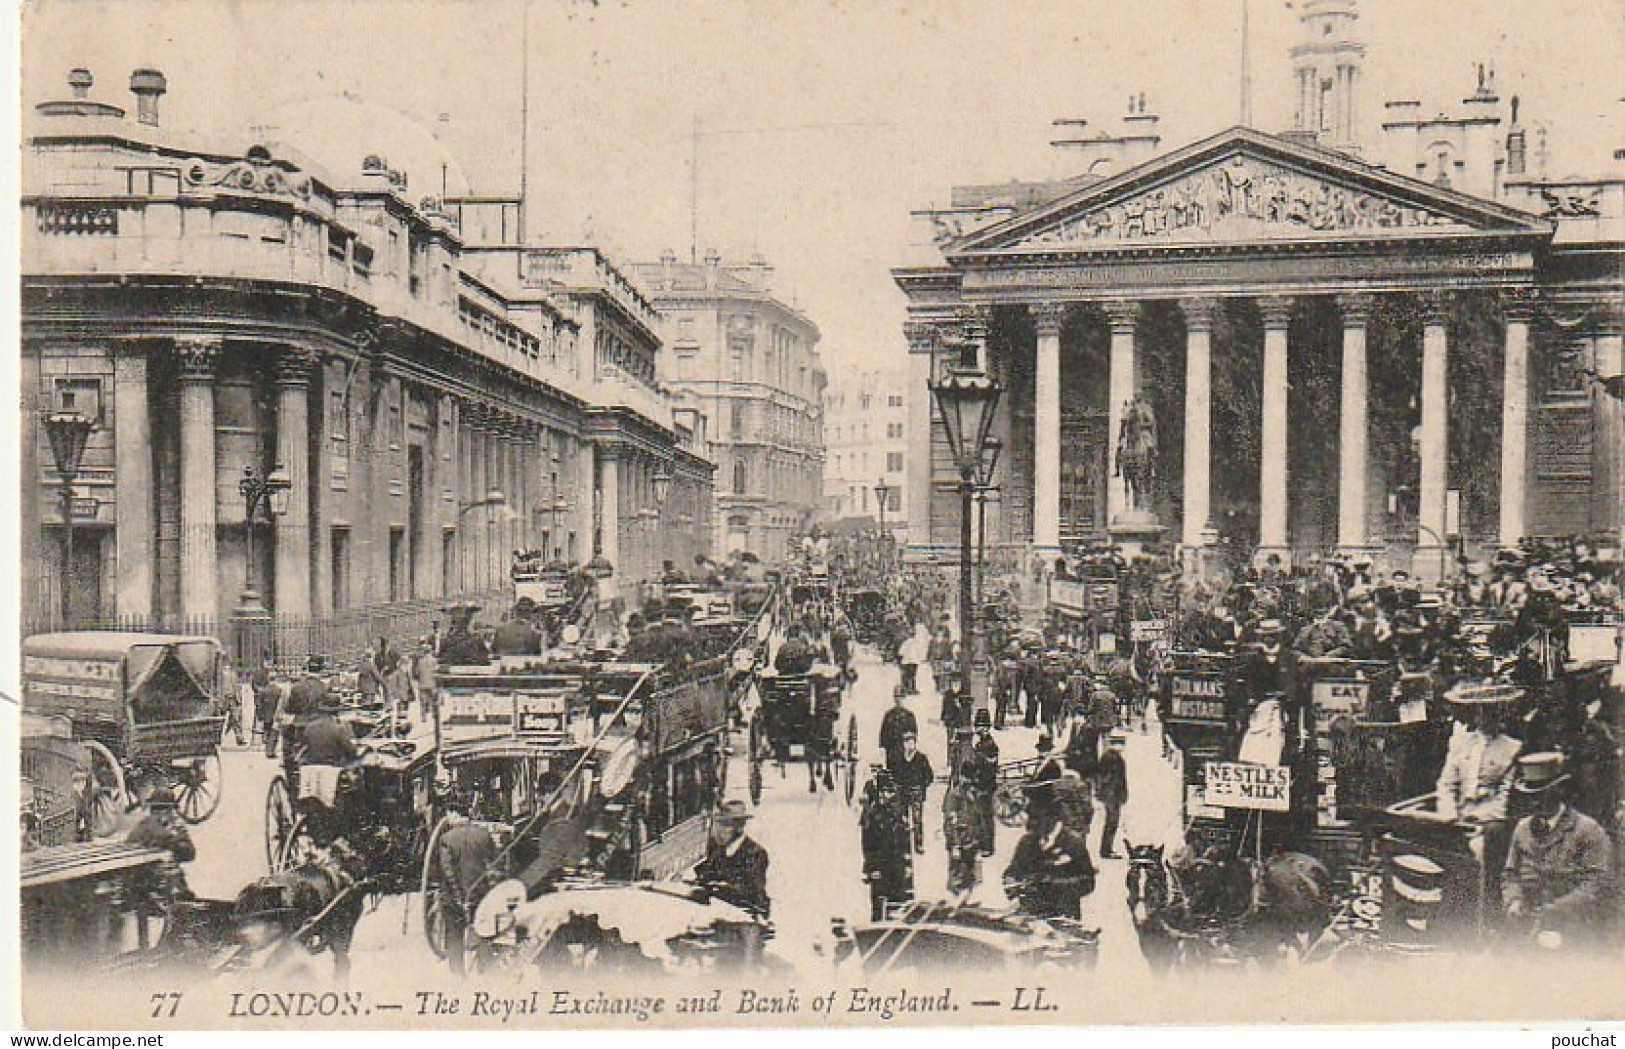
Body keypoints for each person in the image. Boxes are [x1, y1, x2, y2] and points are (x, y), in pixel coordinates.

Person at [1502, 753, 1613, 948]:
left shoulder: (1587, 830)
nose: (1533, 802)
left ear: (1559, 790)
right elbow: (1510, 874)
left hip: (1573, 925)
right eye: (1528, 795)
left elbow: (1596, 885)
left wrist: (1555, 910)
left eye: (1540, 794)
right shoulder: (1523, 828)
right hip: (1526, 923)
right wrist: (1514, 901)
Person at [430, 802, 503, 975]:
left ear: (454, 814)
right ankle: (486, 973)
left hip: (454, 898)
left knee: (454, 937)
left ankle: (458, 978)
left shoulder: (447, 839)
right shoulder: (483, 835)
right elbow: (494, 864)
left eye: (448, 815)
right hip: (481, 894)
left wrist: (457, 896)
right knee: (484, 933)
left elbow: (446, 870)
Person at [1003, 786, 1096, 921]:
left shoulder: (1072, 843)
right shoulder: (1027, 842)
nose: (1032, 822)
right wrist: (1011, 884)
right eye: (1031, 816)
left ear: (1054, 816)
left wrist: (1054, 883)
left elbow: (1088, 882)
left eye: (1038, 816)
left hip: (1063, 918)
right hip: (1029, 918)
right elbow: (1012, 871)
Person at [694, 800, 771, 919]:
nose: (718, 832)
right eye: (716, 825)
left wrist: (715, 889)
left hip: (750, 916)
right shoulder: (718, 851)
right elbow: (706, 874)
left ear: (739, 828)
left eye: (725, 825)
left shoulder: (755, 853)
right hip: (720, 914)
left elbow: (750, 890)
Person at [861, 768, 916, 920]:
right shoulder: (872, 815)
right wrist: (871, 868)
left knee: (899, 902)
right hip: (880, 865)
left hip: (896, 865)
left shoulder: (898, 814)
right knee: (879, 901)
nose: (887, 796)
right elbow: (868, 845)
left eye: (890, 792)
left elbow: (905, 842)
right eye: (884, 792)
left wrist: (907, 865)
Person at [887, 731, 935, 855]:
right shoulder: (899, 758)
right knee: (902, 818)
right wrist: (897, 786)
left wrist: (921, 786)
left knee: (917, 819)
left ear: (915, 743)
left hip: (916, 792)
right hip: (902, 792)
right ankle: (903, 844)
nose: (909, 745)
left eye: (911, 742)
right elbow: (893, 774)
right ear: (903, 744)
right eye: (907, 742)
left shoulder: (921, 758)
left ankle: (918, 844)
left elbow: (929, 776)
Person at [1095, 730, 1129, 858]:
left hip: (1114, 794)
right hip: (1111, 795)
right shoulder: (1111, 759)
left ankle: (1107, 849)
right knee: (1111, 822)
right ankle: (1106, 850)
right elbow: (1108, 779)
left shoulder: (1113, 757)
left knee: (1112, 822)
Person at [879, 686, 918, 767]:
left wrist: (909, 749)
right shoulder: (889, 715)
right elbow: (883, 734)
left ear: (904, 698)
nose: (898, 700)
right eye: (896, 697)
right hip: (891, 752)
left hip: (904, 751)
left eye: (900, 697)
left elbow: (913, 734)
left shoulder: (909, 716)